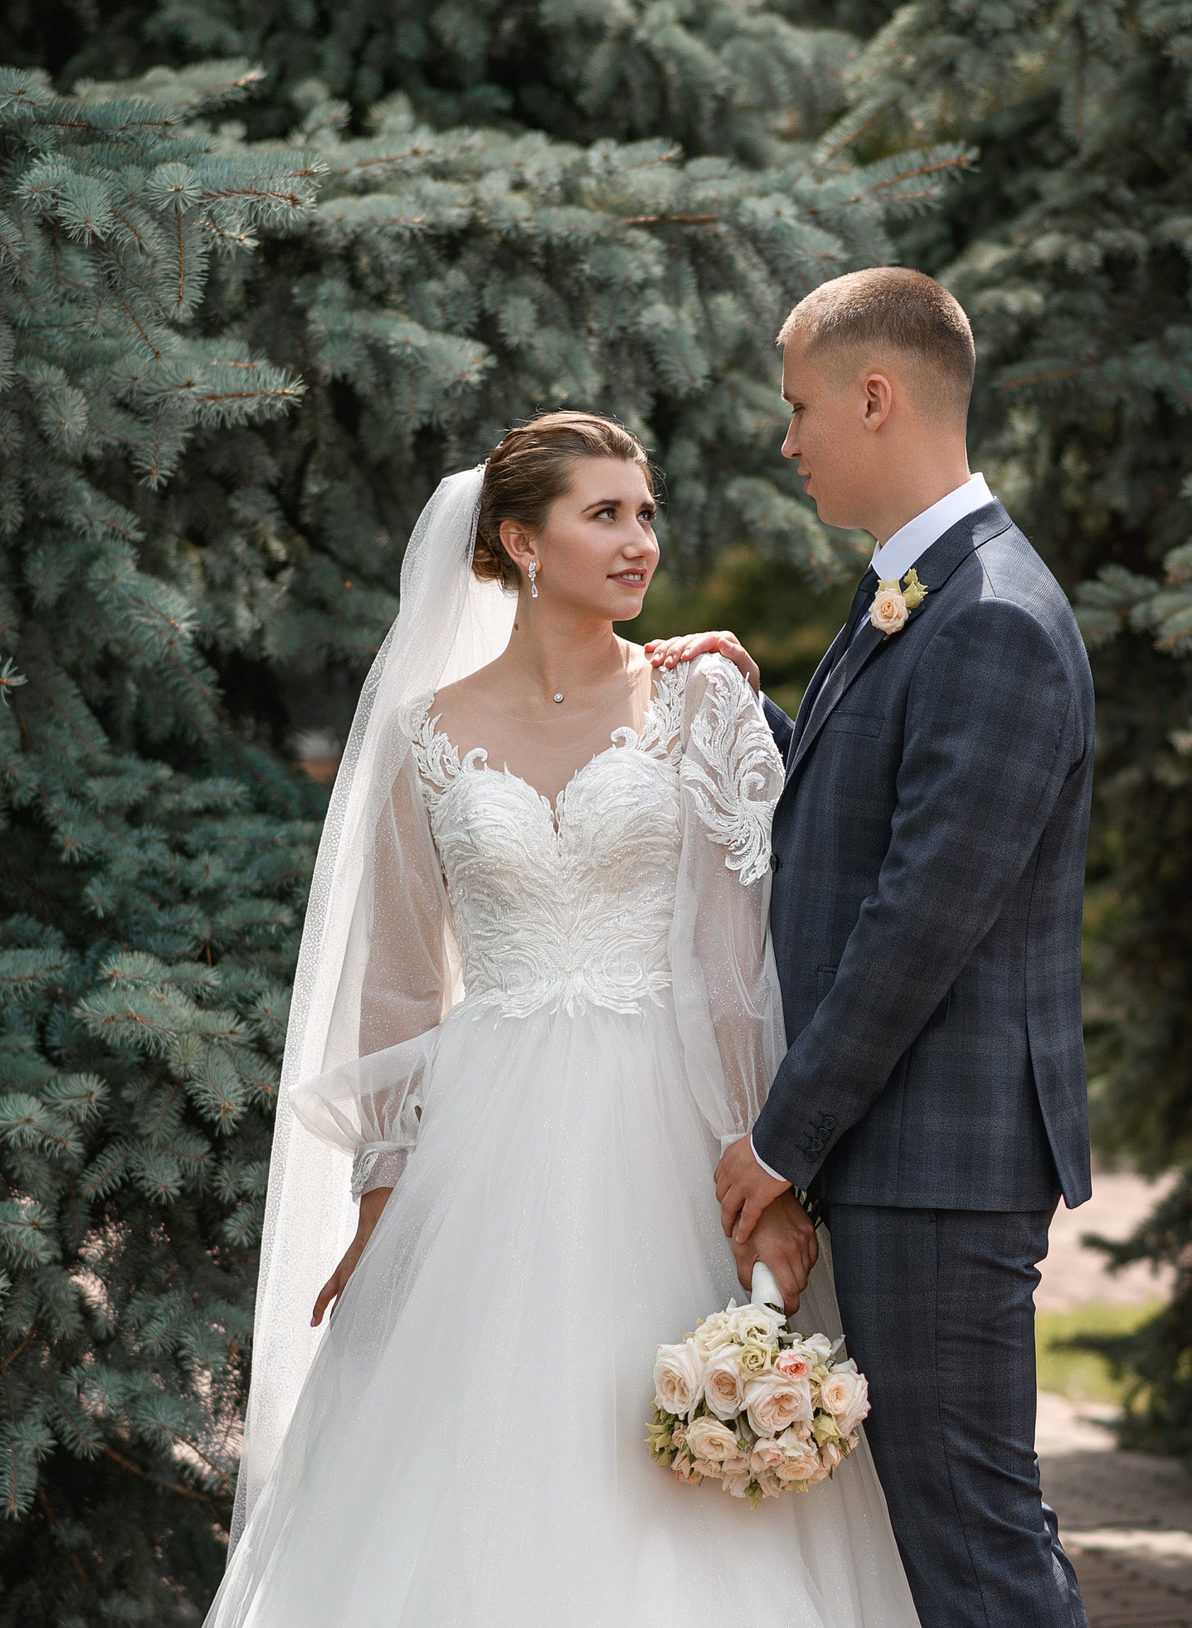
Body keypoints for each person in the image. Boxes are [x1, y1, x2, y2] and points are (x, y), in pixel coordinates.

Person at [216, 411, 920, 1627]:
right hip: (480, 1148)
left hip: (666, 1121)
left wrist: (775, 1181)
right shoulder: (424, 732)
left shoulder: (701, 697)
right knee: (471, 1465)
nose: (640, 539)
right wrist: (383, 1200)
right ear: (518, 542)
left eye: (644, 513)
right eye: (605, 514)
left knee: (669, 1467)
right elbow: (393, 980)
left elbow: (744, 963)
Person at [650, 267, 1096, 1628]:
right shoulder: (921, 587)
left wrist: (785, 1136)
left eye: (800, 406)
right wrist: (745, 707)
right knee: (943, 1538)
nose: (788, 441)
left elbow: (921, 916)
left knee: (972, 1541)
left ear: (876, 394)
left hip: (943, 1159)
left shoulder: (997, 618)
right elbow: (866, 822)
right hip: (906, 1153)